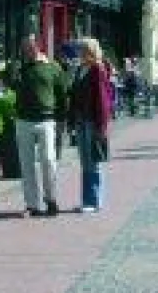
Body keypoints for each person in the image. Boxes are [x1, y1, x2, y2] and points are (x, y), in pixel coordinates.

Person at [14, 35, 67, 217]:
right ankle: (32, 204)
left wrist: (62, 120)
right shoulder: (21, 68)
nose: (25, 50)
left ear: (37, 46)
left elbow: (62, 95)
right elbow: (13, 86)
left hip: (46, 119)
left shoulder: (53, 67)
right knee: (26, 163)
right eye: (23, 47)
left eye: (27, 46)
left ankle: (51, 199)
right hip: (24, 120)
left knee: (49, 160)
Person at [67, 37, 112, 213]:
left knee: (93, 161)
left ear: (89, 51)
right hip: (80, 119)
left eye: (81, 49)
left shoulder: (97, 70)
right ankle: (87, 200)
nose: (78, 52)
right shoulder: (80, 69)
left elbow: (102, 99)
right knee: (85, 161)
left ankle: (94, 200)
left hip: (92, 120)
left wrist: (102, 125)